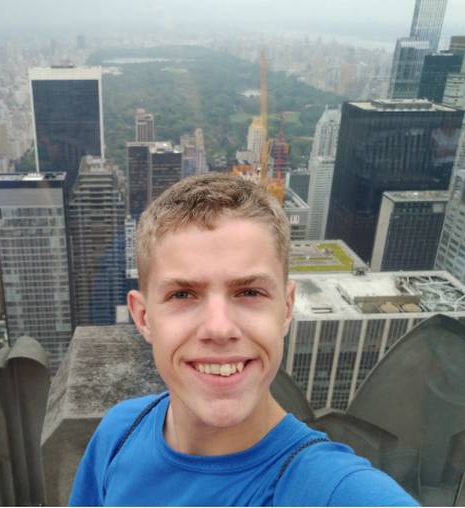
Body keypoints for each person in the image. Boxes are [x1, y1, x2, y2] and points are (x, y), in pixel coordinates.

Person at [69, 173, 418, 506]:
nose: (219, 328)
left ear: (286, 308)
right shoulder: (119, 432)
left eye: (249, 292)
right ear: (143, 317)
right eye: (182, 295)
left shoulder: (332, 489)